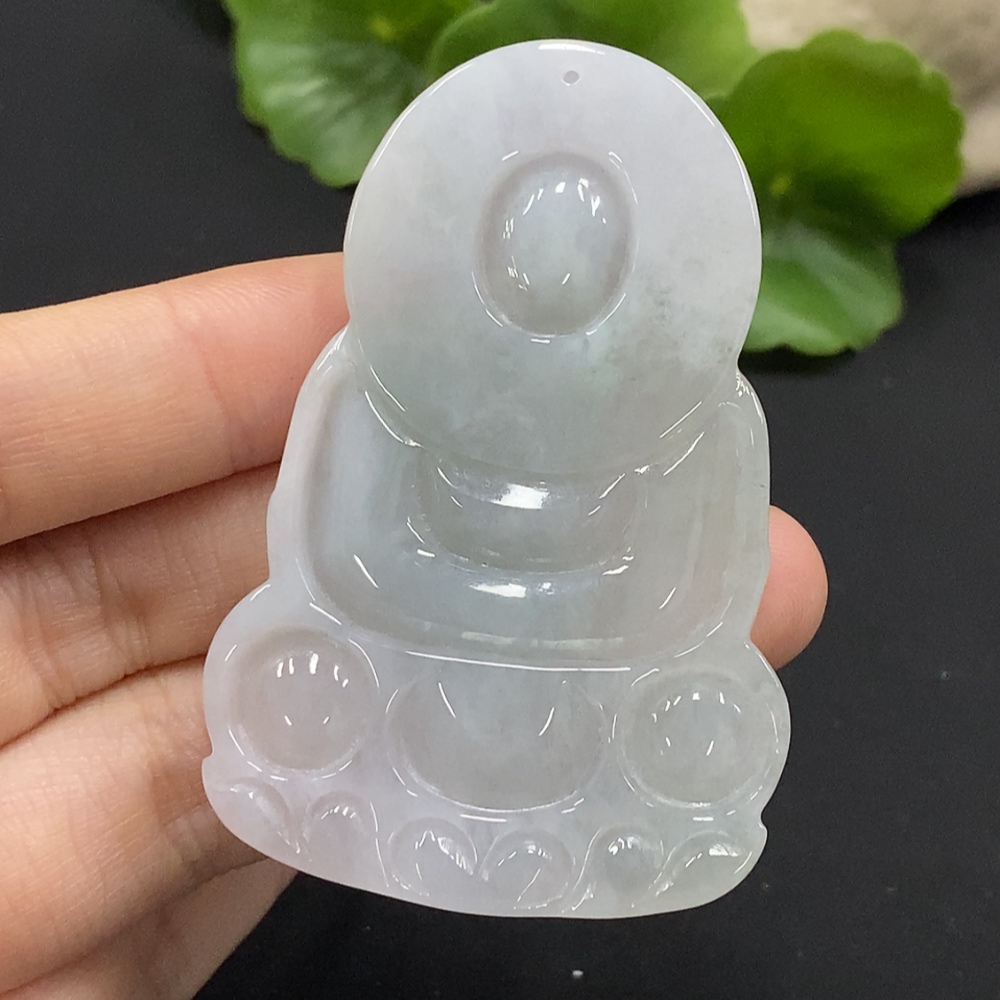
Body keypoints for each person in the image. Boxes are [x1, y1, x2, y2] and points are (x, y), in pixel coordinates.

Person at [0, 254, 828, 998]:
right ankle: (386, 814)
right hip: (407, 670)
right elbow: (346, 560)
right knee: (291, 673)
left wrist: (544, 623)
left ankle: (598, 836)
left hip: (598, 697)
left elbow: (685, 599)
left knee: (705, 715)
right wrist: (507, 613)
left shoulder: (701, 416)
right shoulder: (374, 379)